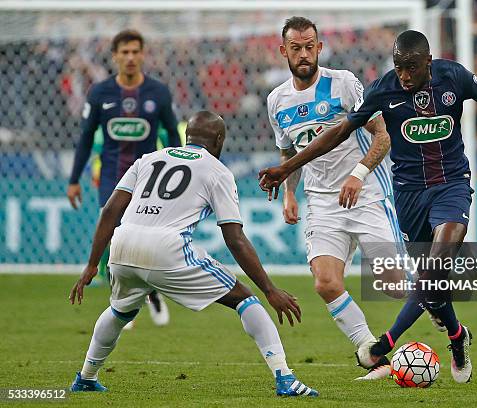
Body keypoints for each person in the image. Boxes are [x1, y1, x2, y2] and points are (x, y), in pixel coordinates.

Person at [259, 30, 477, 383]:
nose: (404, 75)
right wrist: (287, 168)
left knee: (435, 266)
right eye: (399, 67)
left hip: (451, 186)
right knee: (426, 284)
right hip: (408, 195)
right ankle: (456, 335)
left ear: (428, 63)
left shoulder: (455, 76)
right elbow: (340, 132)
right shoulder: (382, 89)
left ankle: (383, 344)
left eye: (412, 68)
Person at [68, 111, 318, 397]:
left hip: (122, 244)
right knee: (245, 299)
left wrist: (91, 265)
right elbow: (234, 238)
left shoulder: (148, 159)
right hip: (167, 249)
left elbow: (111, 211)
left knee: (120, 310)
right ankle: (284, 377)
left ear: (188, 136)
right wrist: (270, 290)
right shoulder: (217, 170)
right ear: (220, 139)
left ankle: (86, 377)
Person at [267, 17, 405, 381]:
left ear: (319, 47)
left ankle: (446, 317)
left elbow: (382, 137)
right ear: (284, 51)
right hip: (323, 203)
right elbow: (289, 154)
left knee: (394, 286)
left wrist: (358, 174)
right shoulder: (277, 100)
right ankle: (372, 355)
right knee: (325, 282)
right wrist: (290, 194)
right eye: (295, 48)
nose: (303, 54)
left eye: (309, 46)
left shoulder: (343, 83)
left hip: (368, 193)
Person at [67, 30, 181, 328]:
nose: (130, 58)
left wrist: (180, 173)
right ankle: (121, 300)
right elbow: (85, 137)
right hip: (111, 176)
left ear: (143, 55)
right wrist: (73, 179)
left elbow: (171, 133)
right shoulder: (100, 93)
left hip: (149, 179)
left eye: (135, 52)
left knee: (147, 238)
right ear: (115, 56)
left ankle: (152, 293)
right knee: (113, 236)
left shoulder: (158, 93)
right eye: (124, 52)